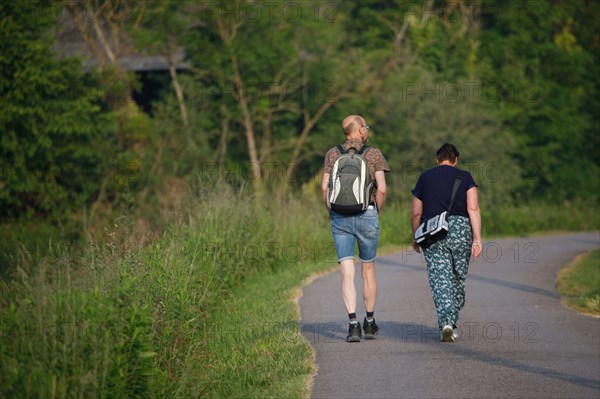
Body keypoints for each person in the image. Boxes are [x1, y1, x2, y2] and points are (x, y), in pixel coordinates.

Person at [322, 115, 390, 342]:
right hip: (367, 213)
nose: (367, 130)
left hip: (339, 216)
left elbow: (324, 188)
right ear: (360, 130)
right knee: (368, 269)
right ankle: (369, 323)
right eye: (366, 127)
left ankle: (352, 325)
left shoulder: (333, 153)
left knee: (347, 271)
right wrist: (375, 210)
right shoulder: (373, 154)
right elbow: (381, 189)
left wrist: (332, 210)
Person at [410, 143, 482, 342]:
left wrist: (415, 236)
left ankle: (447, 323)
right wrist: (477, 239)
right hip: (461, 231)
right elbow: (473, 209)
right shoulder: (465, 177)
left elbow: (416, 212)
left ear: (437, 159)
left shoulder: (425, 177)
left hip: (434, 231)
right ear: (456, 159)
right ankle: (452, 321)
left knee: (440, 280)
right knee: (458, 279)